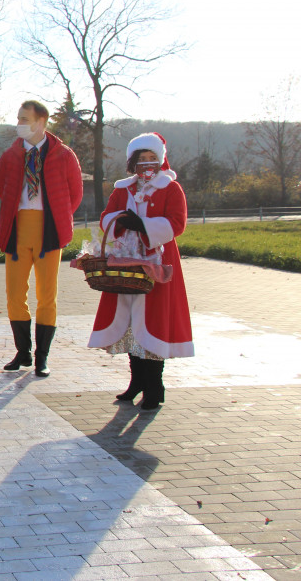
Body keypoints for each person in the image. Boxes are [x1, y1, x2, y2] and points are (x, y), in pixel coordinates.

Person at [88, 132, 193, 411]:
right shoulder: (123, 189)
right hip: (127, 261)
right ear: (132, 163)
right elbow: (106, 217)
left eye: (152, 159)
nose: (147, 165)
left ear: (160, 161)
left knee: (154, 320)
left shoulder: (171, 188)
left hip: (158, 263)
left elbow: (177, 223)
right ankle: (136, 382)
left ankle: (154, 387)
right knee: (132, 324)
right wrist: (123, 220)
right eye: (141, 159)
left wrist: (145, 227)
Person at [0, 100, 83, 377]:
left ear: (41, 122)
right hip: (18, 227)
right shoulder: (10, 156)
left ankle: (41, 358)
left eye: (25, 119)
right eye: (19, 118)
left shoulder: (64, 155)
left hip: (48, 229)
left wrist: (58, 218)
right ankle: (22, 353)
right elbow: (3, 188)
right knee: (14, 294)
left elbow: (75, 194)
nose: (20, 124)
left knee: (47, 295)